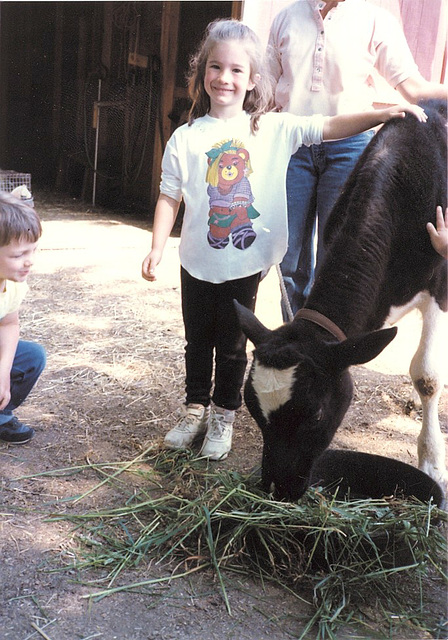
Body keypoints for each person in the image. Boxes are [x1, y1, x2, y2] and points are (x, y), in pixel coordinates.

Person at [141, 18, 426, 460]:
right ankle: (193, 407)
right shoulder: (185, 138)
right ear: (202, 75)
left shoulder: (270, 129)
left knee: (235, 344)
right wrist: (157, 246)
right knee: (196, 339)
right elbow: (168, 196)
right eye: (215, 68)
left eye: (237, 70)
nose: (225, 78)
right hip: (196, 260)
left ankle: (223, 414)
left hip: (244, 262)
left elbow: (327, 127)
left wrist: (380, 114)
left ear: (254, 79)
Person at [268, 0, 448, 319]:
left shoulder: (373, 20)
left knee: (335, 255)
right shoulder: (286, 18)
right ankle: (296, 336)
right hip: (293, 145)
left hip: (349, 147)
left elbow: (414, 88)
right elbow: (263, 89)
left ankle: (324, 345)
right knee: (287, 256)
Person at [0, 191, 46, 444]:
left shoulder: (13, 285)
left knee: (32, 356)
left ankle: (1, 417)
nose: (29, 262)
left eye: (32, 251)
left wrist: (3, 373)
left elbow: (8, 323)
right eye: (18, 255)